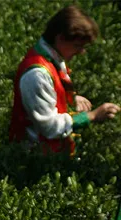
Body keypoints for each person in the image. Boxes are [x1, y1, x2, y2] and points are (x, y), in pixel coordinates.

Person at [8, 5, 119, 155]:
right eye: (77, 46)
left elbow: (52, 90)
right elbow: (49, 127)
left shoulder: (51, 56)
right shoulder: (37, 75)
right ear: (60, 38)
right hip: (37, 154)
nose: (81, 52)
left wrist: (71, 100)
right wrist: (91, 116)